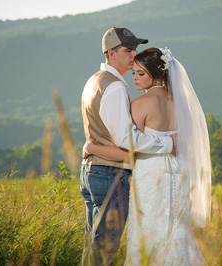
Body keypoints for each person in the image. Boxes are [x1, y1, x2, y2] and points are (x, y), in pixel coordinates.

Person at [85, 47, 212, 265]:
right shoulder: (179, 103)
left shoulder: (140, 104)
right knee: (177, 227)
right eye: (133, 72)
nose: (134, 78)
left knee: (148, 231)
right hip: (179, 171)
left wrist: (91, 148)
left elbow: (127, 149)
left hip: (152, 174)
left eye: (141, 73)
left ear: (156, 73)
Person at [80, 28, 175, 266]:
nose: (134, 54)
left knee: (94, 246)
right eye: (128, 49)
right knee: (104, 249)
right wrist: (166, 143)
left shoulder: (95, 80)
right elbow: (127, 140)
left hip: (94, 171)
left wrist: (91, 148)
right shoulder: (114, 86)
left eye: (135, 48)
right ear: (111, 53)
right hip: (111, 173)